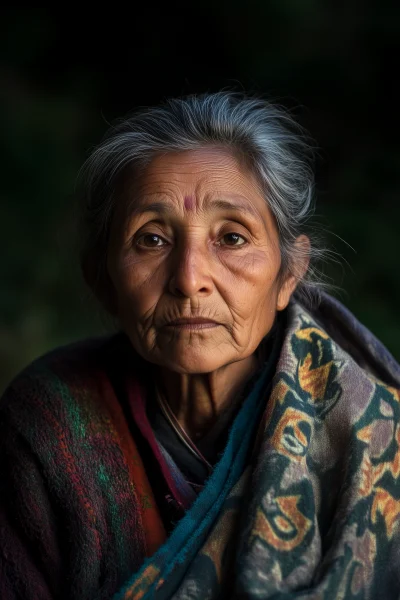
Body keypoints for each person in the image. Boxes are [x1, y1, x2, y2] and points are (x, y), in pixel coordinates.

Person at [1, 92, 399, 600]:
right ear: (103, 280)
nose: (190, 280)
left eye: (231, 238)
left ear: (288, 275)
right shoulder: (48, 423)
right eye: (152, 239)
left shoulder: (376, 439)